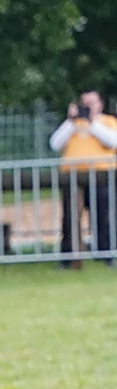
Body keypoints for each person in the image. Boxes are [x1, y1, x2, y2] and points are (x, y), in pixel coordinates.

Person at [49, 91, 117, 262]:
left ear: (100, 104)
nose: (87, 107)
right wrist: (71, 121)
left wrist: (92, 122)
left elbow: (113, 141)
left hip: (101, 176)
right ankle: (69, 257)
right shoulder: (71, 125)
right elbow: (55, 143)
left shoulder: (108, 122)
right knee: (70, 218)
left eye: (91, 103)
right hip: (72, 177)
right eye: (84, 103)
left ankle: (105, 255)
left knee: (103, 216)